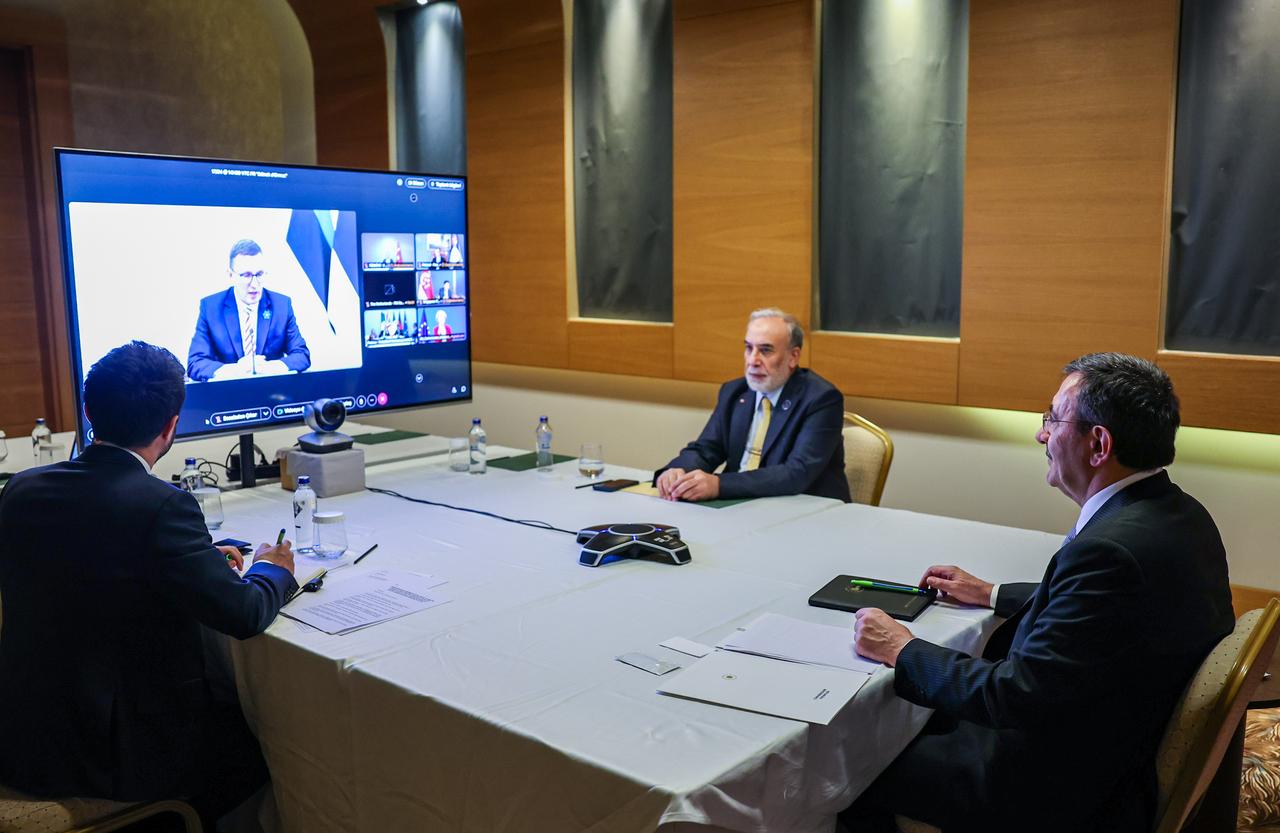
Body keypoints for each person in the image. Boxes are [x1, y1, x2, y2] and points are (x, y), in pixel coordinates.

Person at [843, 353, 1234, 833]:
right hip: (1116, 735)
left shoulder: (1108, 554)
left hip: (1057, 788)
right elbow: (1102, 615)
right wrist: (991, 593)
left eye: (1052, 419)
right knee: (903, 718)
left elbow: (1015, 695)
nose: (1040, 434)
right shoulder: (1181, 514)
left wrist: (901, 648)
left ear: (1098, 444)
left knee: (850, 759)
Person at [0, 341, 298, 829]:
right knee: (269, 741)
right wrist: (273, 568)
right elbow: (244, 614)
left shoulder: (21, 489)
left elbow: (87, 563)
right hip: (114, 757)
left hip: (23, 742)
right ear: (170, 426)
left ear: (89, 412)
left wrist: (193, 561)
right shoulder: (163, 506)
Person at [655, 308, 849, 502]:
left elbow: (796, 473)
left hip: (803, 507)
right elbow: (706, 449)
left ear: (793, 357)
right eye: (749, 348)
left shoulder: (821, 399)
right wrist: (678, 471)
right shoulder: (734, 392)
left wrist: (719, 485)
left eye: (765, 350)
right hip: (740, 504)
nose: (753, 360)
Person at [187, 238, 311, 382]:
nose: (254, 284)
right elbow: (195, 363)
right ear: (230, 275)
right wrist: (234, 370)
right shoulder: (211, 308)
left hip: (273, 391)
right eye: (246, 275)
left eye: (259, 274)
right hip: (228, 392)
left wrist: (270, 367)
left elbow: (301, 355)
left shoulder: (281, 305)